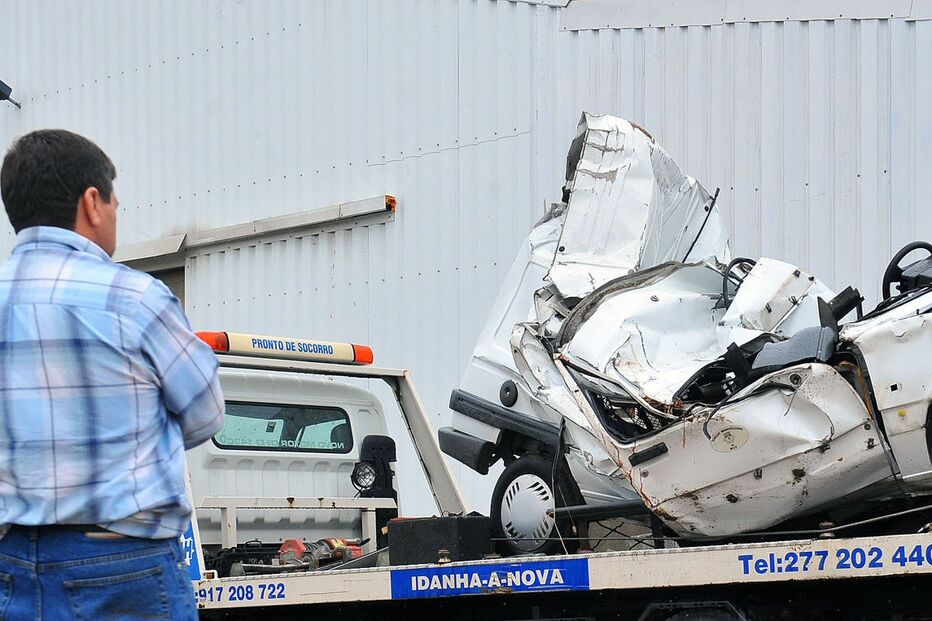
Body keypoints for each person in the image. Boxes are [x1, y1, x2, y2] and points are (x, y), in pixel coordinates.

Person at [0, 129, 224, 619]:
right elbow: (206, 415)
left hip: (8, 560)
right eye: (116, 203)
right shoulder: (135, 299)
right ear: (92, 202)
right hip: (124, 563)